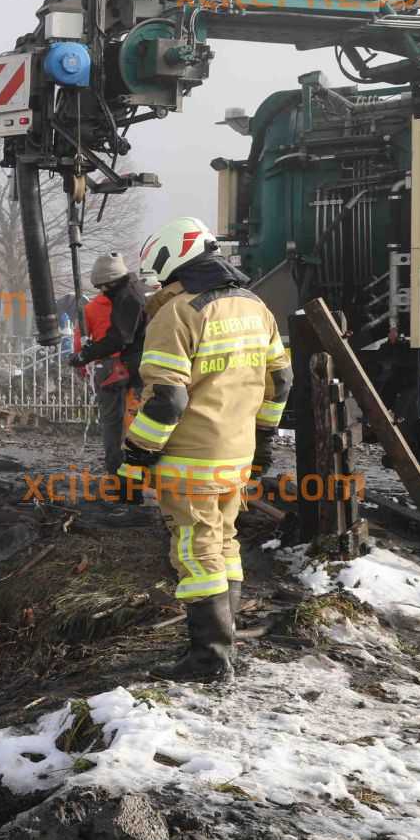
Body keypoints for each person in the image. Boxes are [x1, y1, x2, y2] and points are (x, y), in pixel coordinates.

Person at [119, 217, 291, 682]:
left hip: (191, 458)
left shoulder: (177, 313)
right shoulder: (257, 307)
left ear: (173, 257)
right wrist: (265, 443)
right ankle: (223, 645)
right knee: (224, 543)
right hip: (237, 453)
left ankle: (209, 660)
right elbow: (281, 380)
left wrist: (136, 453)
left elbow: (167, 399)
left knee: (196, 554)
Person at [71, 251, 145, 475]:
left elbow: (117, 338)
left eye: (103, 286)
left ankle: (120, 471)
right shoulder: (137, 292)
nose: (102, 292)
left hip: (115, 367)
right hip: (137, 367)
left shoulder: (122, 299)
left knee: (112, 422)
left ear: (111, 282)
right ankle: (134, 470)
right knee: (136, 420)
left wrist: (84, 358)